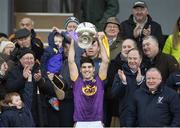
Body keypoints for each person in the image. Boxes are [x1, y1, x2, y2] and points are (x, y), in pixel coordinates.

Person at [5, 48, 57, 126]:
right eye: (26, 58)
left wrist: (40, 81)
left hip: (39, 110)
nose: (29, 61)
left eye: (31, 58)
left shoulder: (40, 70)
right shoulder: (13, 71)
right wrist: (23, 78)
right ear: (20, 60)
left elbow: (51, 91)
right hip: (20, 112)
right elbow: (9, 89)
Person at [68, 32, 109, 127]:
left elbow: (105, 61)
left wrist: (100, 40)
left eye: (89, 67)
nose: (87, 69)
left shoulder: (100, 80)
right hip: (80, 122)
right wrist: (73, 41)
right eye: (84, 67)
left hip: (97, 122)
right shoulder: (76, 81)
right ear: (81, 70)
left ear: (94, 69)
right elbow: (71, 61)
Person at [104, 38, 137, 127]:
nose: (126, 49)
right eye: (124, 47)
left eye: (129, 47)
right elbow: (110, 85)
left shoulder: (142, 66)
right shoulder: (114, 63)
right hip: (117, 107)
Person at [111, 48, 145, 127]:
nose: (132, 61)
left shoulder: (147, 73)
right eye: (130, 58)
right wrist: (123, 82)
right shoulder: (120, 74)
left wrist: (140, 82)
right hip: (126, 116)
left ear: (140, 59)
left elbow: (150, 94)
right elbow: (114, 94)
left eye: (135, 58)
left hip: (143, 116)